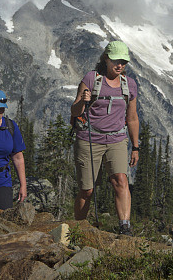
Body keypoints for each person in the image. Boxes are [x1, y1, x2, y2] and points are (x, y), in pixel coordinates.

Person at [71, 41, 140, 236]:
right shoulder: (91, 79)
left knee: (121, 180)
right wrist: (83, 102)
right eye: (116, 61)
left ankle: (125, 226)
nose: (120, 65)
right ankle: (78, 228)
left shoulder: (129, 85)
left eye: (123, 62)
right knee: (87, 189)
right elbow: (75, 111)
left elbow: (132, 118)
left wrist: (135, 146)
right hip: (89, 138)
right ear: (106, 59)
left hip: (117, 139)